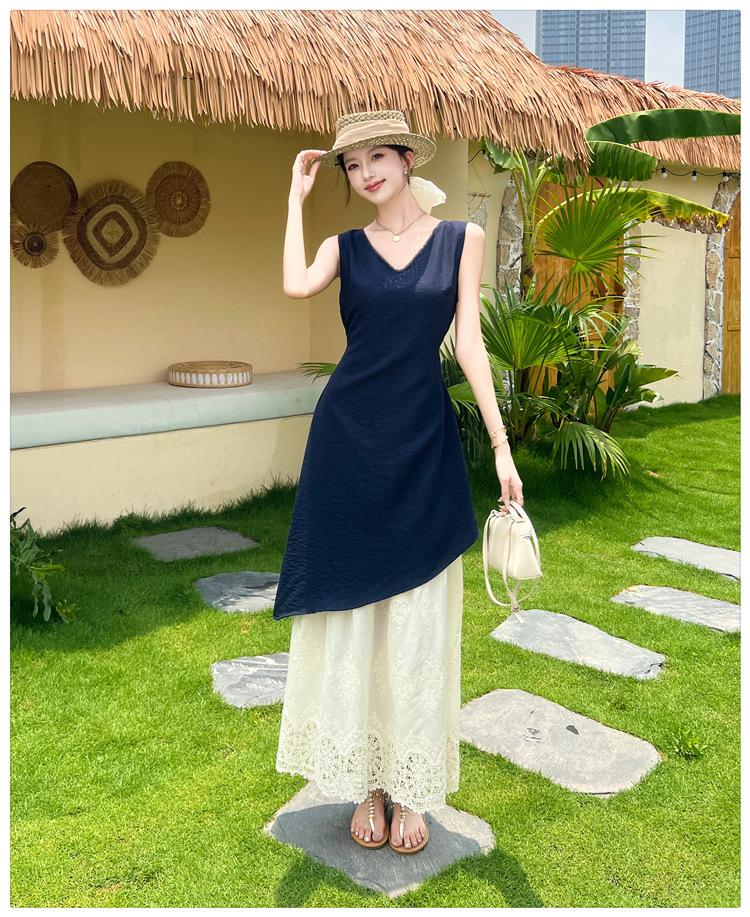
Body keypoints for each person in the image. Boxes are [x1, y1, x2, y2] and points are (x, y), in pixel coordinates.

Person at [273, 110, 523, 854]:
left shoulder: (461, 239)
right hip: (347, 442)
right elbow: (294, 285)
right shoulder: (344, 247)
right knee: (357, 615)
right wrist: (296, 198)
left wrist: (502, 447)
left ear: (409, 158)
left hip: (422, 443)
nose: (366, 174)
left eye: (377, 157)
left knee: (417, 619)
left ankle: (411, 785)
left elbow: (469, 343)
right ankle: (369, 783)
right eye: (353, 166)